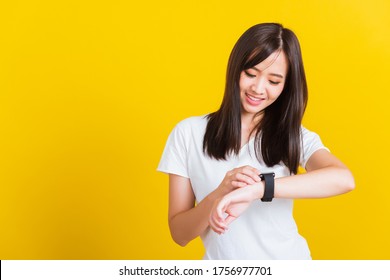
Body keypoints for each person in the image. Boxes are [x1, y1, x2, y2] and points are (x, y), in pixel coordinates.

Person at [157, 23, 355, 260]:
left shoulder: (293, 135)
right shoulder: (188, 133)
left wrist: (258, 189)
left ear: (286, 86)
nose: (258, 88)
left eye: (274, 81)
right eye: (251, 73)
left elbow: (344, 179)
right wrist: (221, 193)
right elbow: (179, 234)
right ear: (235, 68)